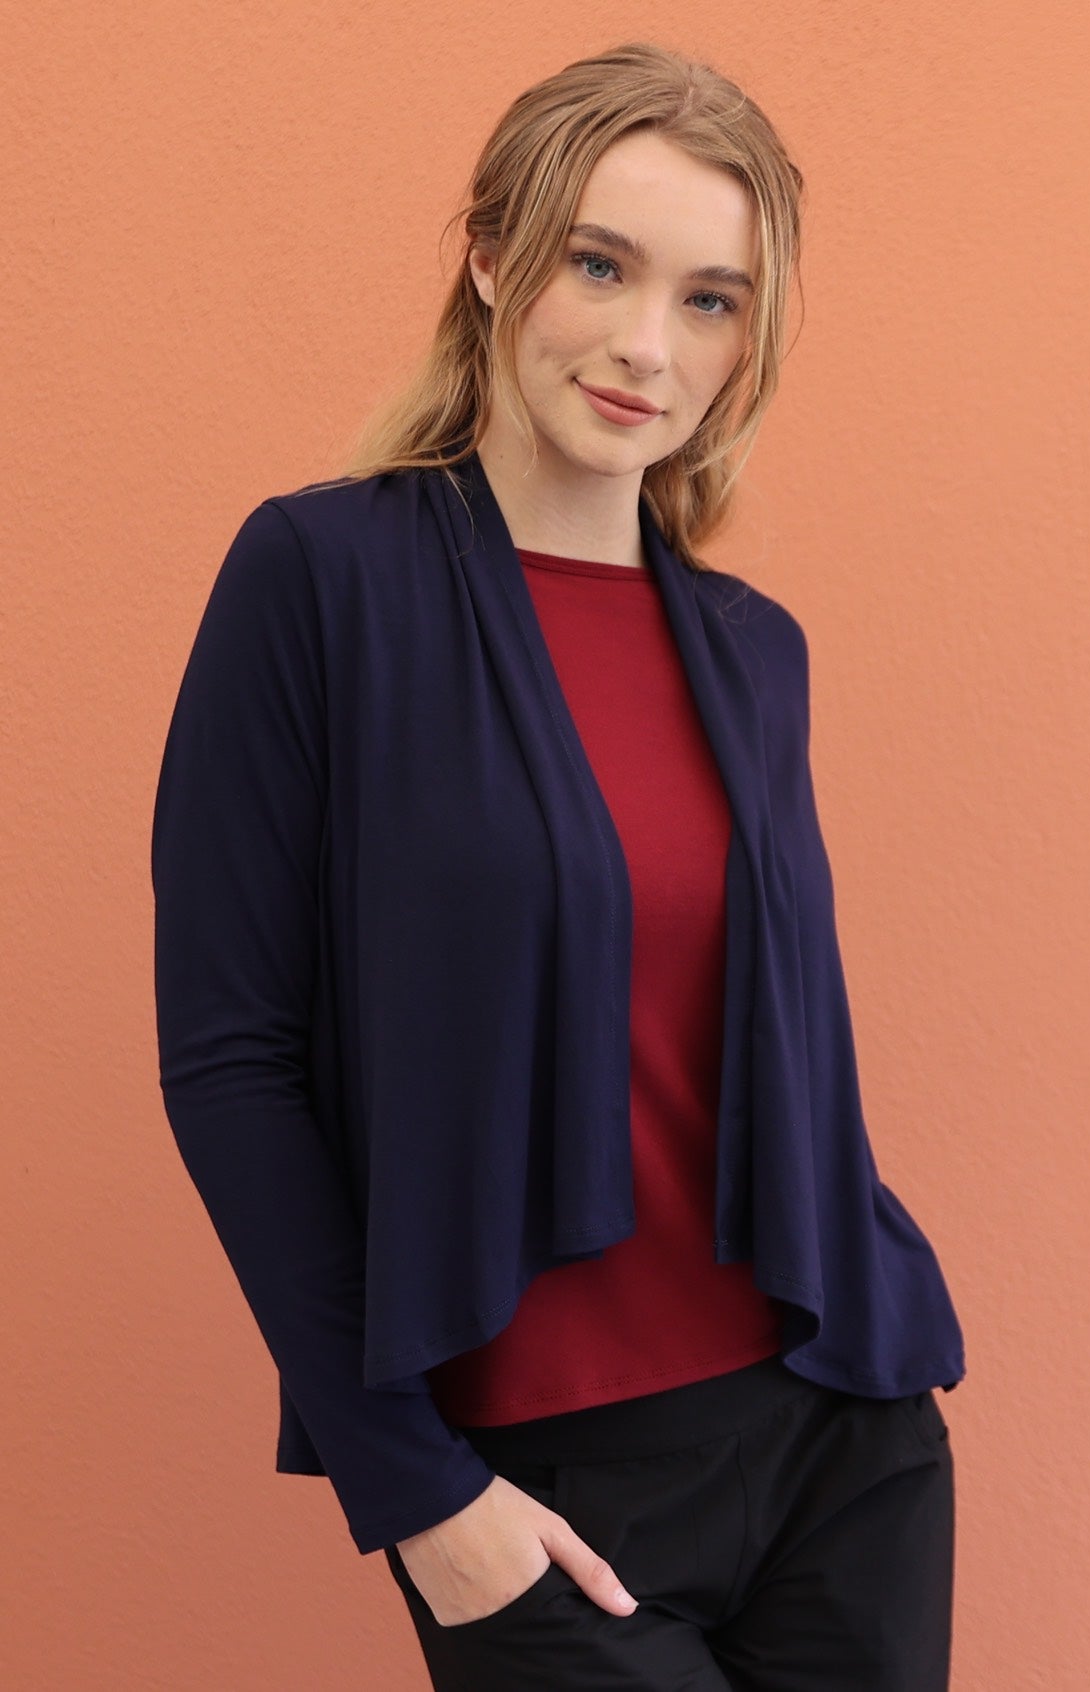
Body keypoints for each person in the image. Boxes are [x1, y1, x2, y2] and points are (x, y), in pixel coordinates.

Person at [151, 40, 965, 1691]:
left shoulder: (754, 651)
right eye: (600, 265)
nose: (648, 345)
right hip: (538, 1493)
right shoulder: (321, 580)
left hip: (842, 1447)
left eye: (711, 299)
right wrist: (416, 1496)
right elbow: (230, 1059)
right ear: (489, 254)